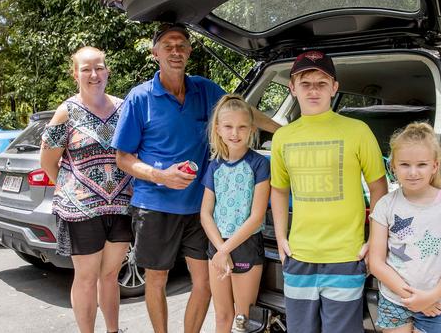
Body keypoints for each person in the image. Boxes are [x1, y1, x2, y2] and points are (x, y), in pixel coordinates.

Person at [112, 22, 279, 333]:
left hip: (201, 211)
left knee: (204, 282)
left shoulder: (204, 89)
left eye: (181, 45)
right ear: (155, 53)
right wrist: (160, 175)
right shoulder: (140, 98)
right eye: (168, 46)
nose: (176, 51)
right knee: (157, 279)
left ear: (188, 52)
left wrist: (283, 132)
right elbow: (123, 158)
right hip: (155, 205)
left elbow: (242, 112)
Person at [270, 50, 388, 333]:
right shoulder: (282, 137)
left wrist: (374, 241)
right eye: (305, 83)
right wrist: (280, 237)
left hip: (346, 256)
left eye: (321, 83)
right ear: (292, 88)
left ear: (334, 87)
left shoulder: (358, 130)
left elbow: (378, 187)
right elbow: (278, 190)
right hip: (299, 256)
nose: (314, 90)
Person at [40, 46, 133, 333]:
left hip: (121, 207)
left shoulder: (124, 107)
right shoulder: (66, 112)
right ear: (75, 74)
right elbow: (48, 162)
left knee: (110, 276)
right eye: (86, 69)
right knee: (86, 278)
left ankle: (113, 330)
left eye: (100, 67)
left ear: (107, 71)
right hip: (80, 212)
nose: (94, 74)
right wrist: (75, 190)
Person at [368, 122, 441, 333]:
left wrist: (430, 297)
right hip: (394, 300)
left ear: (434, 166)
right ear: (393, 166)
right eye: (405, 164)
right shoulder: (385, 205)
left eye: (421, 165)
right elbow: (376, 262)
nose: (413, 172)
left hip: (436, 304)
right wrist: (412, 298)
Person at [199, 94, 270, 332]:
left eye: (241, 127)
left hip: (245, 246)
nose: (235, 133)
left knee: (243, 319)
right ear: (218, 129)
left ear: (251, 129)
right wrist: (220, 249)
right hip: (217, 247)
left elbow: (257, 216)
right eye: (228, 126)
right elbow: (206, 213)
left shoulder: (259, 164)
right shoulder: (215, 165)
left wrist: (225, 250)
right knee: (221, 315)